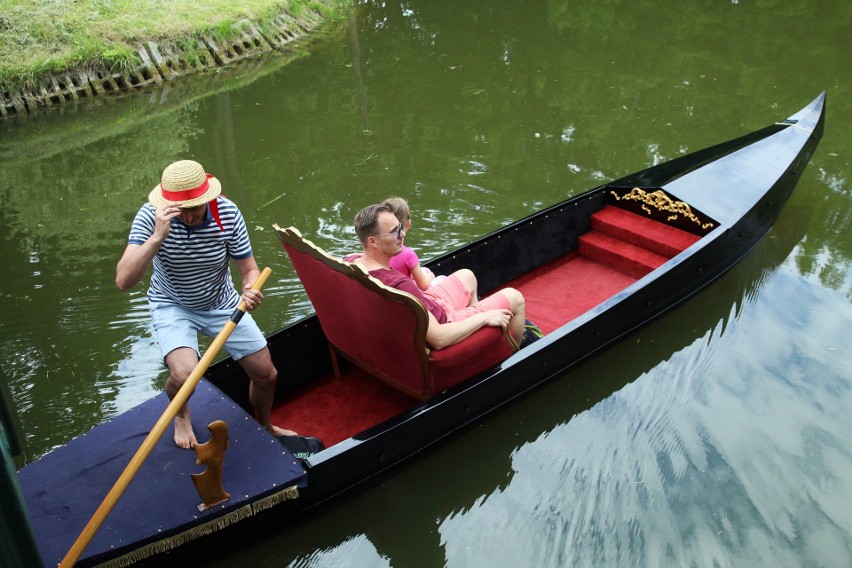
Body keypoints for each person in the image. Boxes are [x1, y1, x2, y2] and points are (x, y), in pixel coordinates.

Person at [116, 159, 295, 448]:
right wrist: (158, 236)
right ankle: (182, 414)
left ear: (208, 200)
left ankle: (265, 425)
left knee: (266, 374)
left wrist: (249, 289)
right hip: (172, 303)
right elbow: (124, 281)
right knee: (185, 374)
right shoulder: (151, 216)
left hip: (222, 302)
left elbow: (249, 269)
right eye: (181, 211)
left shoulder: (227, 212)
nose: (188, 218)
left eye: (194, 209)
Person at [353, 203, 529, 349]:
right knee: (515, 297)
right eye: (394, 231)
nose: (403, 234)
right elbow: (438, 339)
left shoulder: (353, 263)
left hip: (430, 306)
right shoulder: (399, 285)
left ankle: (481, 343)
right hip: (444, 322)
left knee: (467, 275)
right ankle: (510, 351)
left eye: (400, 227)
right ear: (372, 242)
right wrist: (483, 318)